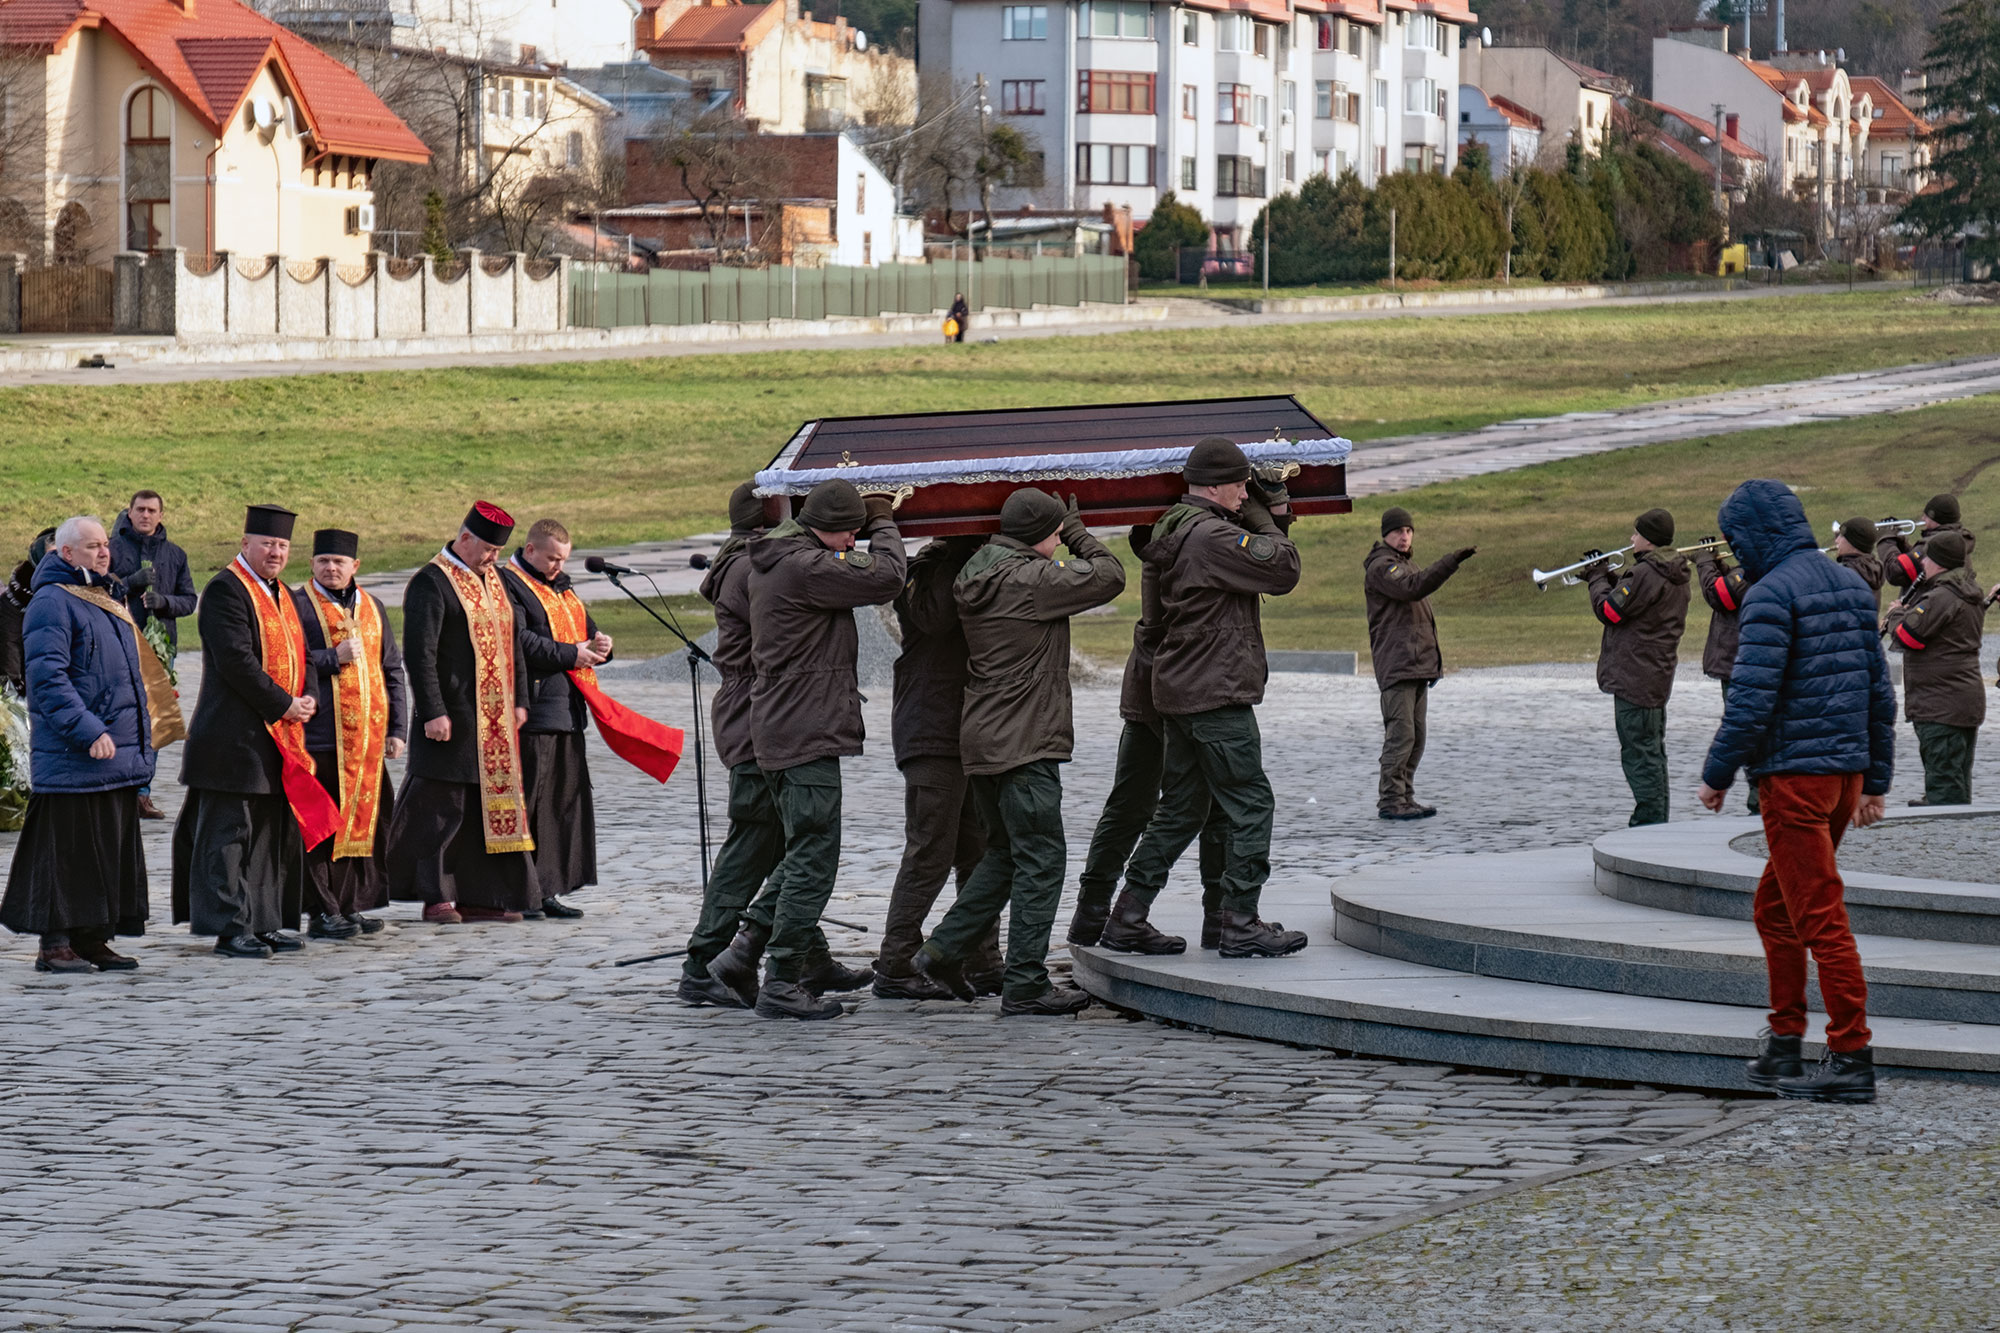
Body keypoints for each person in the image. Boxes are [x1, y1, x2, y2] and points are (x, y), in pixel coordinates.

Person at [1699, 478, 1894, 1105]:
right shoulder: (1849, 583)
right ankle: (1784, 1043)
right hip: (1842, 779)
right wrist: (1876, 781)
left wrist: (1717, 773)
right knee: (1776, 909)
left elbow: (1750, 701)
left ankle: (1850, 1054)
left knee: (1820, 919)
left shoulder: (1768, 594)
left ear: (1751, 536)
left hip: (1796, 780)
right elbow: (1879, 695)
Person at [909, 490, 1126, 1014]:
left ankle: (941, 950)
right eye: (1052, 534)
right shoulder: (1031, 580)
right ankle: (1026, 982)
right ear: (1036, 537)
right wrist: (1075, 529)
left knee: (1006, 855)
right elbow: (1109, 574)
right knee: (1042, 858)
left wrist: (1057, 531)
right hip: (1024, 743)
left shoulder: (979, 573)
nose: (1058, 542)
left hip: (983, 740)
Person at [1100, 438, 1307, 959]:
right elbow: (1282, 569)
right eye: (1239, 484)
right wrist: (1264, 514)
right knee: (1250, 803)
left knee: (1182, 809)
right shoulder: (1211, 536)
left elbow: (1258, 559)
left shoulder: (1174, 525)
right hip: (1215, 689)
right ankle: (1240, 921)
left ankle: (1127, 915)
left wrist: (1267, 512)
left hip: (1180, 688)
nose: (1245, 493)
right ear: (1214, 485)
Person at [732, 479, 905, 1020]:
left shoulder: (786, 556)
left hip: (787, 726)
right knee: (813, 859)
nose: (854, 539)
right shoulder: (805, 566)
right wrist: (884, 521)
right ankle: (781, 978)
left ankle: (747, 951)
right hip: (802, 729)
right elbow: (889, 577)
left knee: (802, 850)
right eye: (850, 530)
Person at [172, 505, 335, 959]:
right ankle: (229, 925)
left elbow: (304, 652)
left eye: (283, 546)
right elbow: (236, 662)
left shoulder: (281, 592)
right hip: (232, 738)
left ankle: (263, 920)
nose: (276, 552)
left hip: (278, 737)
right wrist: (284, 703)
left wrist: (308, 697)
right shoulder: (227, 589)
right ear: (245, 544)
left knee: (268, 834)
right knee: (229, 835)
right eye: (267, 543)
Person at [1066, 520, 1230, 953]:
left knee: (1131, 805)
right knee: (1200, 803)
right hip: (1184, 685)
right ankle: (1211, 914)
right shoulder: (1198, 542)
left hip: (1150, 681)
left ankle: (1093, 912)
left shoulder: (1169, 539)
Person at [1, 516, 154, 972]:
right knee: (66, 852)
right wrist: (88, 730)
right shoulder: (52, 601)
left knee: (105, 848)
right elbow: (47, 679)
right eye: (91, 547)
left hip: (115, 751)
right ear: (65, 554)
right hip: (76, 752)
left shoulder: (104, 594)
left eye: (105, 545)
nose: (103, 553)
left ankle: (92, 937)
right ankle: (55, 944)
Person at [386, 502, 539, 925]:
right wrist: (433, 710)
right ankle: (435, 895)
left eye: (497, 551)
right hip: (451, 717)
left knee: (481, 812)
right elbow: (421, 655)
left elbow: (514, 643)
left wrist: (521, 699)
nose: (493, 557)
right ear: (465, 538)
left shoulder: (495, 580)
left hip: (495, 720)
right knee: (440, 810)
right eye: (488, 549)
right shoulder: (430, 583)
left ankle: (482, 895)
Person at [871, 532, 1002, 1000]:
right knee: (930, 852)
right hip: (933, 729)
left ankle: (982, 959)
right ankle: (895, 962)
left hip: (961, 730)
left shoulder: (954, 563)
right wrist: (968, 551)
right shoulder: (935, 568)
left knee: (978, 852)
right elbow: (937, 616)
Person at [680, 484, 788, 1007]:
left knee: (780, 844)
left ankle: (800, 956)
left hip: (751, 715)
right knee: (755, 849)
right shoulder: (751, 569)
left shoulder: (742, 563)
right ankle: (705, 963)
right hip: (755, 720)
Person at [292, 528, 407, 940]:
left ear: (355, 566)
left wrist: (398, 728)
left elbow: (392, 668)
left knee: (367, 824)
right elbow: (288, 663)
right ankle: (322, 911)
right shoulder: (297, 604)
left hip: (369, 740)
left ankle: (350, 903)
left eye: (338, 562)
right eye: (323, 561)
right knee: (322, 829)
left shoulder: (372, 606)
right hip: (321, 737)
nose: (330, 568)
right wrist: (330, 658)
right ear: (312, 564)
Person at [502, 518, 611, 921]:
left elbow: (584, 629)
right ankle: (521, 890)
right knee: (529, 804)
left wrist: (602, 645)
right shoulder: (509, 583)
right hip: (536, 710)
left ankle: (547, 888)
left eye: (563, 559)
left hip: (569, 710)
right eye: (551, 558)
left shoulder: (561, 585)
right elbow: (520, 641)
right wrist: (572, 654)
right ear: (530, 550)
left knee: (558, 807)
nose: (557, 566)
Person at [1363, 506, 1475, 821]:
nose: (1404, 536)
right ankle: (1390, 800)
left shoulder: (1406, 564)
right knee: (1401, 736)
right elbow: (1414, 588)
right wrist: (1450, 562)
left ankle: (1405, 797)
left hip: (1415, 666)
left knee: (1416, 736)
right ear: (1386, 534)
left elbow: (1420, 620)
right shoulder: (1383, 567)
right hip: (1397, 666)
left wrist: (1432, 664)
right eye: (1398, 531)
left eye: (1409, 531)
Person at [1582, 509, 1691, 827]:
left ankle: (1648, 822)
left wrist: (1597, 577)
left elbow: (1609, 611)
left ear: (1648, 539)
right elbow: (1637, 603)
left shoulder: (1646, 574)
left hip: (1636, 677)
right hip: (1653, 675)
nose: (1631, 538)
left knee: (1639, 754)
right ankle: (1655, 819)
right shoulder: (1669, 571)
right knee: (1651, 752)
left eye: (1635, 533)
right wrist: (1607, 578)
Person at [108, 491, 196, 822]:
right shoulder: (111, 549)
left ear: (161, 515)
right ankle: (116, 789)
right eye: (140, 510)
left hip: (161, 649)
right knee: (120, 716)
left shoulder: (175, 554)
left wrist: (163, 602)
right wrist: (130, 583)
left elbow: (189, 600)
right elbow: (97, 590)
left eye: (152, 510)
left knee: (152, 719)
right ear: (129, 513)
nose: (145, 515)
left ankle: (142, 793)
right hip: (120, 643)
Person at [1883, 529, 1986, 807]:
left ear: (1938, 563)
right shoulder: (1966, 592)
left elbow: (1908, 637)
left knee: (1947, 787)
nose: (1922, 565)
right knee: (1955, 777)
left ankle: (1945, 832)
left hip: (1941, 704)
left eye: (1926, 560)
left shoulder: (1941, 597)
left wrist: (1895, 615)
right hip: (1958, 699)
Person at [1691, 538, 1757, 816]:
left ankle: (1758, 802)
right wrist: (1718, 564)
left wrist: (1705, 561)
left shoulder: (1754, 567)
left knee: (1744, 731)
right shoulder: (1751, 569)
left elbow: (1720, 595)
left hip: (1739, 665)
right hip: (1740, 663)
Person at [1879, 492, 1975, 590]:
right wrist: (1901, 544)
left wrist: (1886, 539)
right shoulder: (1957, 540)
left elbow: (1895, 572)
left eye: (1926, 516)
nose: (1922, 518)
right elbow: (1916, 561)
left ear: (1937, 520)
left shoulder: (1936, 543)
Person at [1833, 517, 1883, 608]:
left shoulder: (1847, 573)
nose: (1837, 540)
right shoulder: (1871, 568)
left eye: (1842, 536)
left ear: (1853, 542)